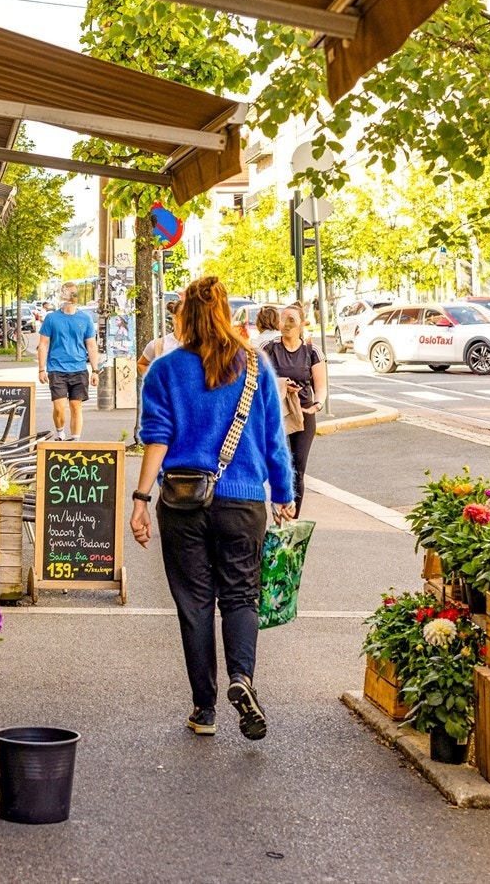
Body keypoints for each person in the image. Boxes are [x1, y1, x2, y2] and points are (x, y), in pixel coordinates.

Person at [132, 276, 295, 741]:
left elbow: (156, 438)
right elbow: (274, 439)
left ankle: (204, 709)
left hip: (183, 501)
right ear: (226, 314)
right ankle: (242, 678)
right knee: (241, 596)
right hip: (243, 501)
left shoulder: (164, 369)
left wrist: (141, 500)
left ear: (183, 316)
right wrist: (283, 493)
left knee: (195, 603)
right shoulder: (255, 364)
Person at [264, 304, 326, 508]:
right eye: (283, 319)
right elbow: (257, 380)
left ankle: (292, 519)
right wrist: (282, 384)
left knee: (298, 469)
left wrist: (317, 405)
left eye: (292, 319)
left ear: (301, 324)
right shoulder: (269, 348)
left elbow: (321, 386)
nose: (286, 324)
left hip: (304, 414)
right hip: (277, 415)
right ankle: (279, 514)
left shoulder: (312, 351)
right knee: (280, 467)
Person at [37, 283, 97, 441]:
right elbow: (43, 344)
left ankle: (75, 441)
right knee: (59, 407)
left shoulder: (85, 319)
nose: (71, 297)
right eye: (68, 293)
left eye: (74, 294)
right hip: (57, 369)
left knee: (76, 406)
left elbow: (91, 345)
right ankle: (60, 433)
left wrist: (95, 370)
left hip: (79, 368)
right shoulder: (52, 318)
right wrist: (41, 369)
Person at [137, 301, 182, 377]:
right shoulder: (158, 345)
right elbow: (141, 364)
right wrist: (154, 379)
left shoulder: (201, 345)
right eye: (186, 316)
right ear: (175, 318)